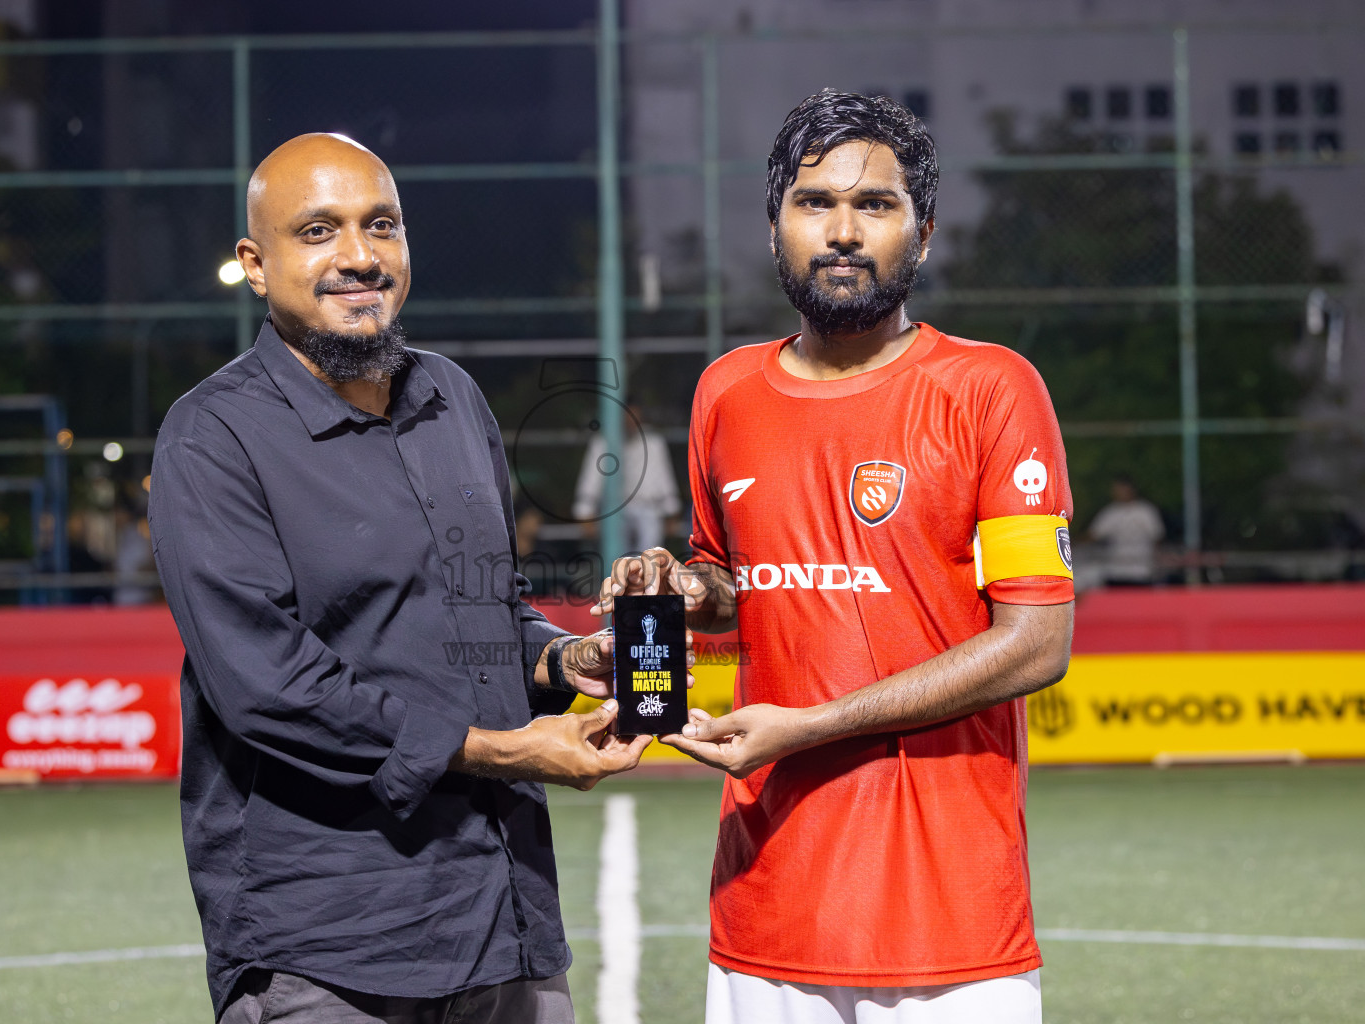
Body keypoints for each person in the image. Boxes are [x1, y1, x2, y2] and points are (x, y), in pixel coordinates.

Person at [149, 133, 658, 1024]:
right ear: (255, 265)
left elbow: (483, 611)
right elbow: (267, 685)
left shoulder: (452, 399)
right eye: (318, 231)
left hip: (506, 919)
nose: (358, 256)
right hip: (329, 948)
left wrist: (562, 662)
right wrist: (500, 751)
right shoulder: (211, 438)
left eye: (380, 225)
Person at [598, 91, 1074, 1024]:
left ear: (923, 233)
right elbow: (737, 588)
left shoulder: (990, 389)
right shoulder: (725, 392)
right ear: (776, 227)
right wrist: (676, 586)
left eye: (877, 205)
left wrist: (809, 727)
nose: (844, 231)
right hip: (766, 910)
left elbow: (1036, 645)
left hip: (951, 928)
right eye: (815, 202)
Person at [571, 406, 681, 551]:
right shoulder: (603, 442)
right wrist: (584, 512)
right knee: (616, 554)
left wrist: (671, 511)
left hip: (649, 509)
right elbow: (591, 478)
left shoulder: (653, 442)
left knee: (651, 552)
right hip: (614, 510)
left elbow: (664, 478)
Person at [1087, 476, 1164, 585]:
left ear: (1131, 489)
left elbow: (1157, 537)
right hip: (1115, 570)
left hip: (1141, 570)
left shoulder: (1145, 511)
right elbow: (1094, 535)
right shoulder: (1110, 512)